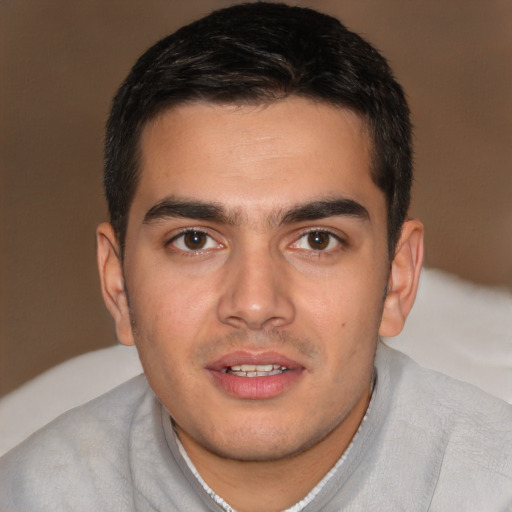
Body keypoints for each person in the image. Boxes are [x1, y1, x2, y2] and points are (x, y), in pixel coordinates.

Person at [0, 2, 511, 510]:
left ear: (398, 278)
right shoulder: (28, 493)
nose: (254, 303)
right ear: (117, 285)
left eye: (317, 240)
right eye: (195, 240)